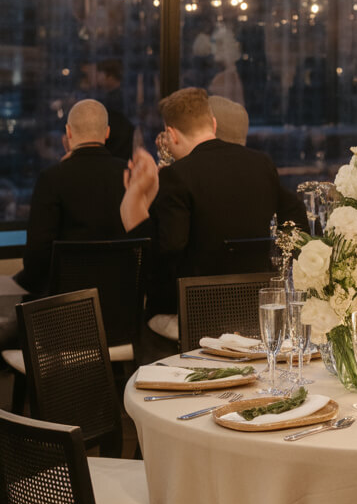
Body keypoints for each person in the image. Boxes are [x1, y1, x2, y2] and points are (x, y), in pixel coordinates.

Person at [120, 87, 306, 334]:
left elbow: (168, 251)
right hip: (254, 310)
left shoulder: (177, 176)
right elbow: (296, 217)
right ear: (213, 124)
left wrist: (136, 205)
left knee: (140, 316)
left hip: (195, 315)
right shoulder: (261, 164)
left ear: (171, 134)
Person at [16, 100, 129, 298]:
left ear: (68, 132)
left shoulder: (52, 178)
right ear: (107, 132)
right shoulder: (130, 175)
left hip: (67, 305)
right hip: (121, 297)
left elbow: (36, 257)